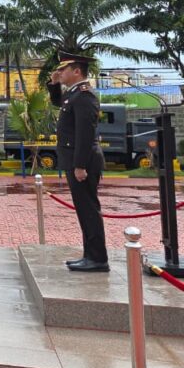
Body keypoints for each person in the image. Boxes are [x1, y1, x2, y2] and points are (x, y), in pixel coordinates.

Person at [48, 51, 108, 272]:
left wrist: (80, 165)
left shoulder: (84, 96)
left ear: (76, 71)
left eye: (63, 69)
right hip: (76, 160)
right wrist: (54, 84)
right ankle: (90, 256)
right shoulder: (74, 94)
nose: (60, 72)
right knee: (84, 211)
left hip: (84, 162)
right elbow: (59, 102)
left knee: (89, 210)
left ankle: (98, 259)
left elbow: (84, 134)